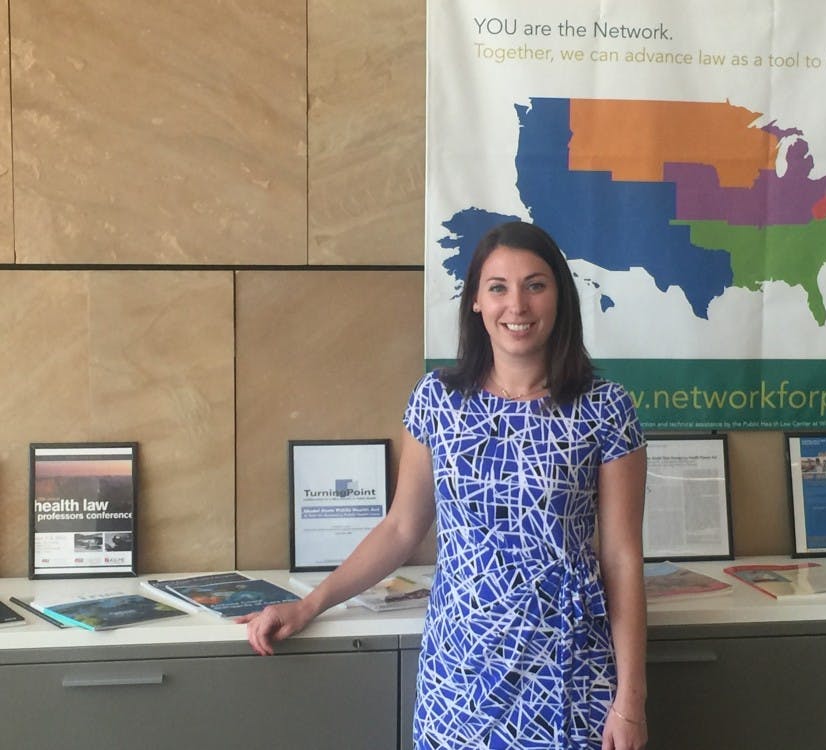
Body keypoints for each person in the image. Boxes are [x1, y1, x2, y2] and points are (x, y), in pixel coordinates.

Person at [239, 221, 648, 749]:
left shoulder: (605, 407)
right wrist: (307, 605)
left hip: (567, 675)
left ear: (560, 297)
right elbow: (401, 528)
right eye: (498, 287)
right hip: (461, 678)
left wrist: (631, 701)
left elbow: (620, 558)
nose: (516, 305)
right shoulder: (438, 401)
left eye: (535, 284)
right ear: (476, 301)